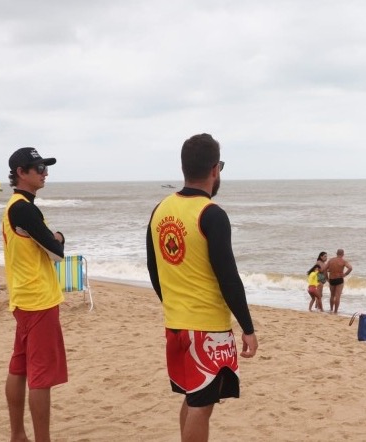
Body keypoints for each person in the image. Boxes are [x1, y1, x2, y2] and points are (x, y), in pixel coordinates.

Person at [146, 133, 258, 442]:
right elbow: (228, 276)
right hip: (207, 327)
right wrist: (248, 327)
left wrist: (173, 305)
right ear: (214, 169)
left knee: (192, 395)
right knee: (201, 404)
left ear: (184, 168)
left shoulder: (160, 210)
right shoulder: (212, 214)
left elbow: (154, 269)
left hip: (176, 323)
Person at [2, 147, 66, 442]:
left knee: (19, 366)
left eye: (45, 167)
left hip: (23, 297)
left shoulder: (14, 206)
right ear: (21, 173)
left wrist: (52, 239)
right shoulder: (24, 208)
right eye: (39, 168)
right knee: (40, 377)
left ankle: (18, 434)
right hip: (38, 300)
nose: (45, 173)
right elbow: (56, 252)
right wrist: (59, 238)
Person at [323, 249, 352, 314]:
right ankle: (335, 311)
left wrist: (327, 278)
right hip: (339, 279)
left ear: (336, 253)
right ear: (343, 254)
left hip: (331, 279)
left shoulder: (331, 260)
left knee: (332, 295)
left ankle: (331, 309)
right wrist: (345, 274)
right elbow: (350, 268)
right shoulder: (343, 261)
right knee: (338, 296)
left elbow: (324, 269)